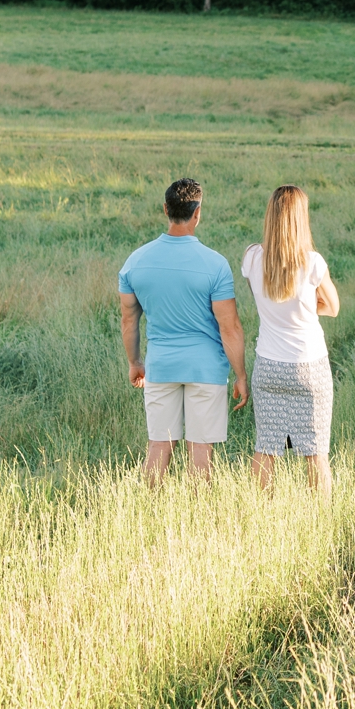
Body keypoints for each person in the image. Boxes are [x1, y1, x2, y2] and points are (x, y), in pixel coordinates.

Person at [119, 178, 248, 487]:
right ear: (197, 213)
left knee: (158, 447)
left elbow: (128, 320)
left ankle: (146, 515)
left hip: (161, 366)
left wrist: (135, 363)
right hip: (206, 369)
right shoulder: (215, 264)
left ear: (166, 209)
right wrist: (241, 375)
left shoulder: (135, 261)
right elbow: (229, 327)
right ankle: (197, 520)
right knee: (200, 449)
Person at [239, 185, 340, 497]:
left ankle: (260, 517)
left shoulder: (252, 258)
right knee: (315, 451)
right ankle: (319, 522)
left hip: (268, 366)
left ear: (271, 216)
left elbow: (265, 297)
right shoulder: (312, 263)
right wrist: (308, 308)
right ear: (301, 219)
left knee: (266, 447)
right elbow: (333, 308)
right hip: (308, 367)